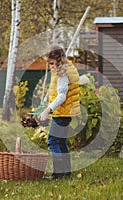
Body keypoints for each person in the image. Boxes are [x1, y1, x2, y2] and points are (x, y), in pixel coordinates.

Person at [38, 44, 80, 179]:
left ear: (59, 59)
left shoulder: (62, 72)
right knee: (61, 142)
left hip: (62, 112)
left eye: (51, 63)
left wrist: (47, 111)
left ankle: (58, 174)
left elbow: (62, 96)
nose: (50, 66)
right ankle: (65, 172)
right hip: (66, 112)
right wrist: (46, 100)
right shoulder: (65, 68)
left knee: (53, 142)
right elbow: (56, 90)